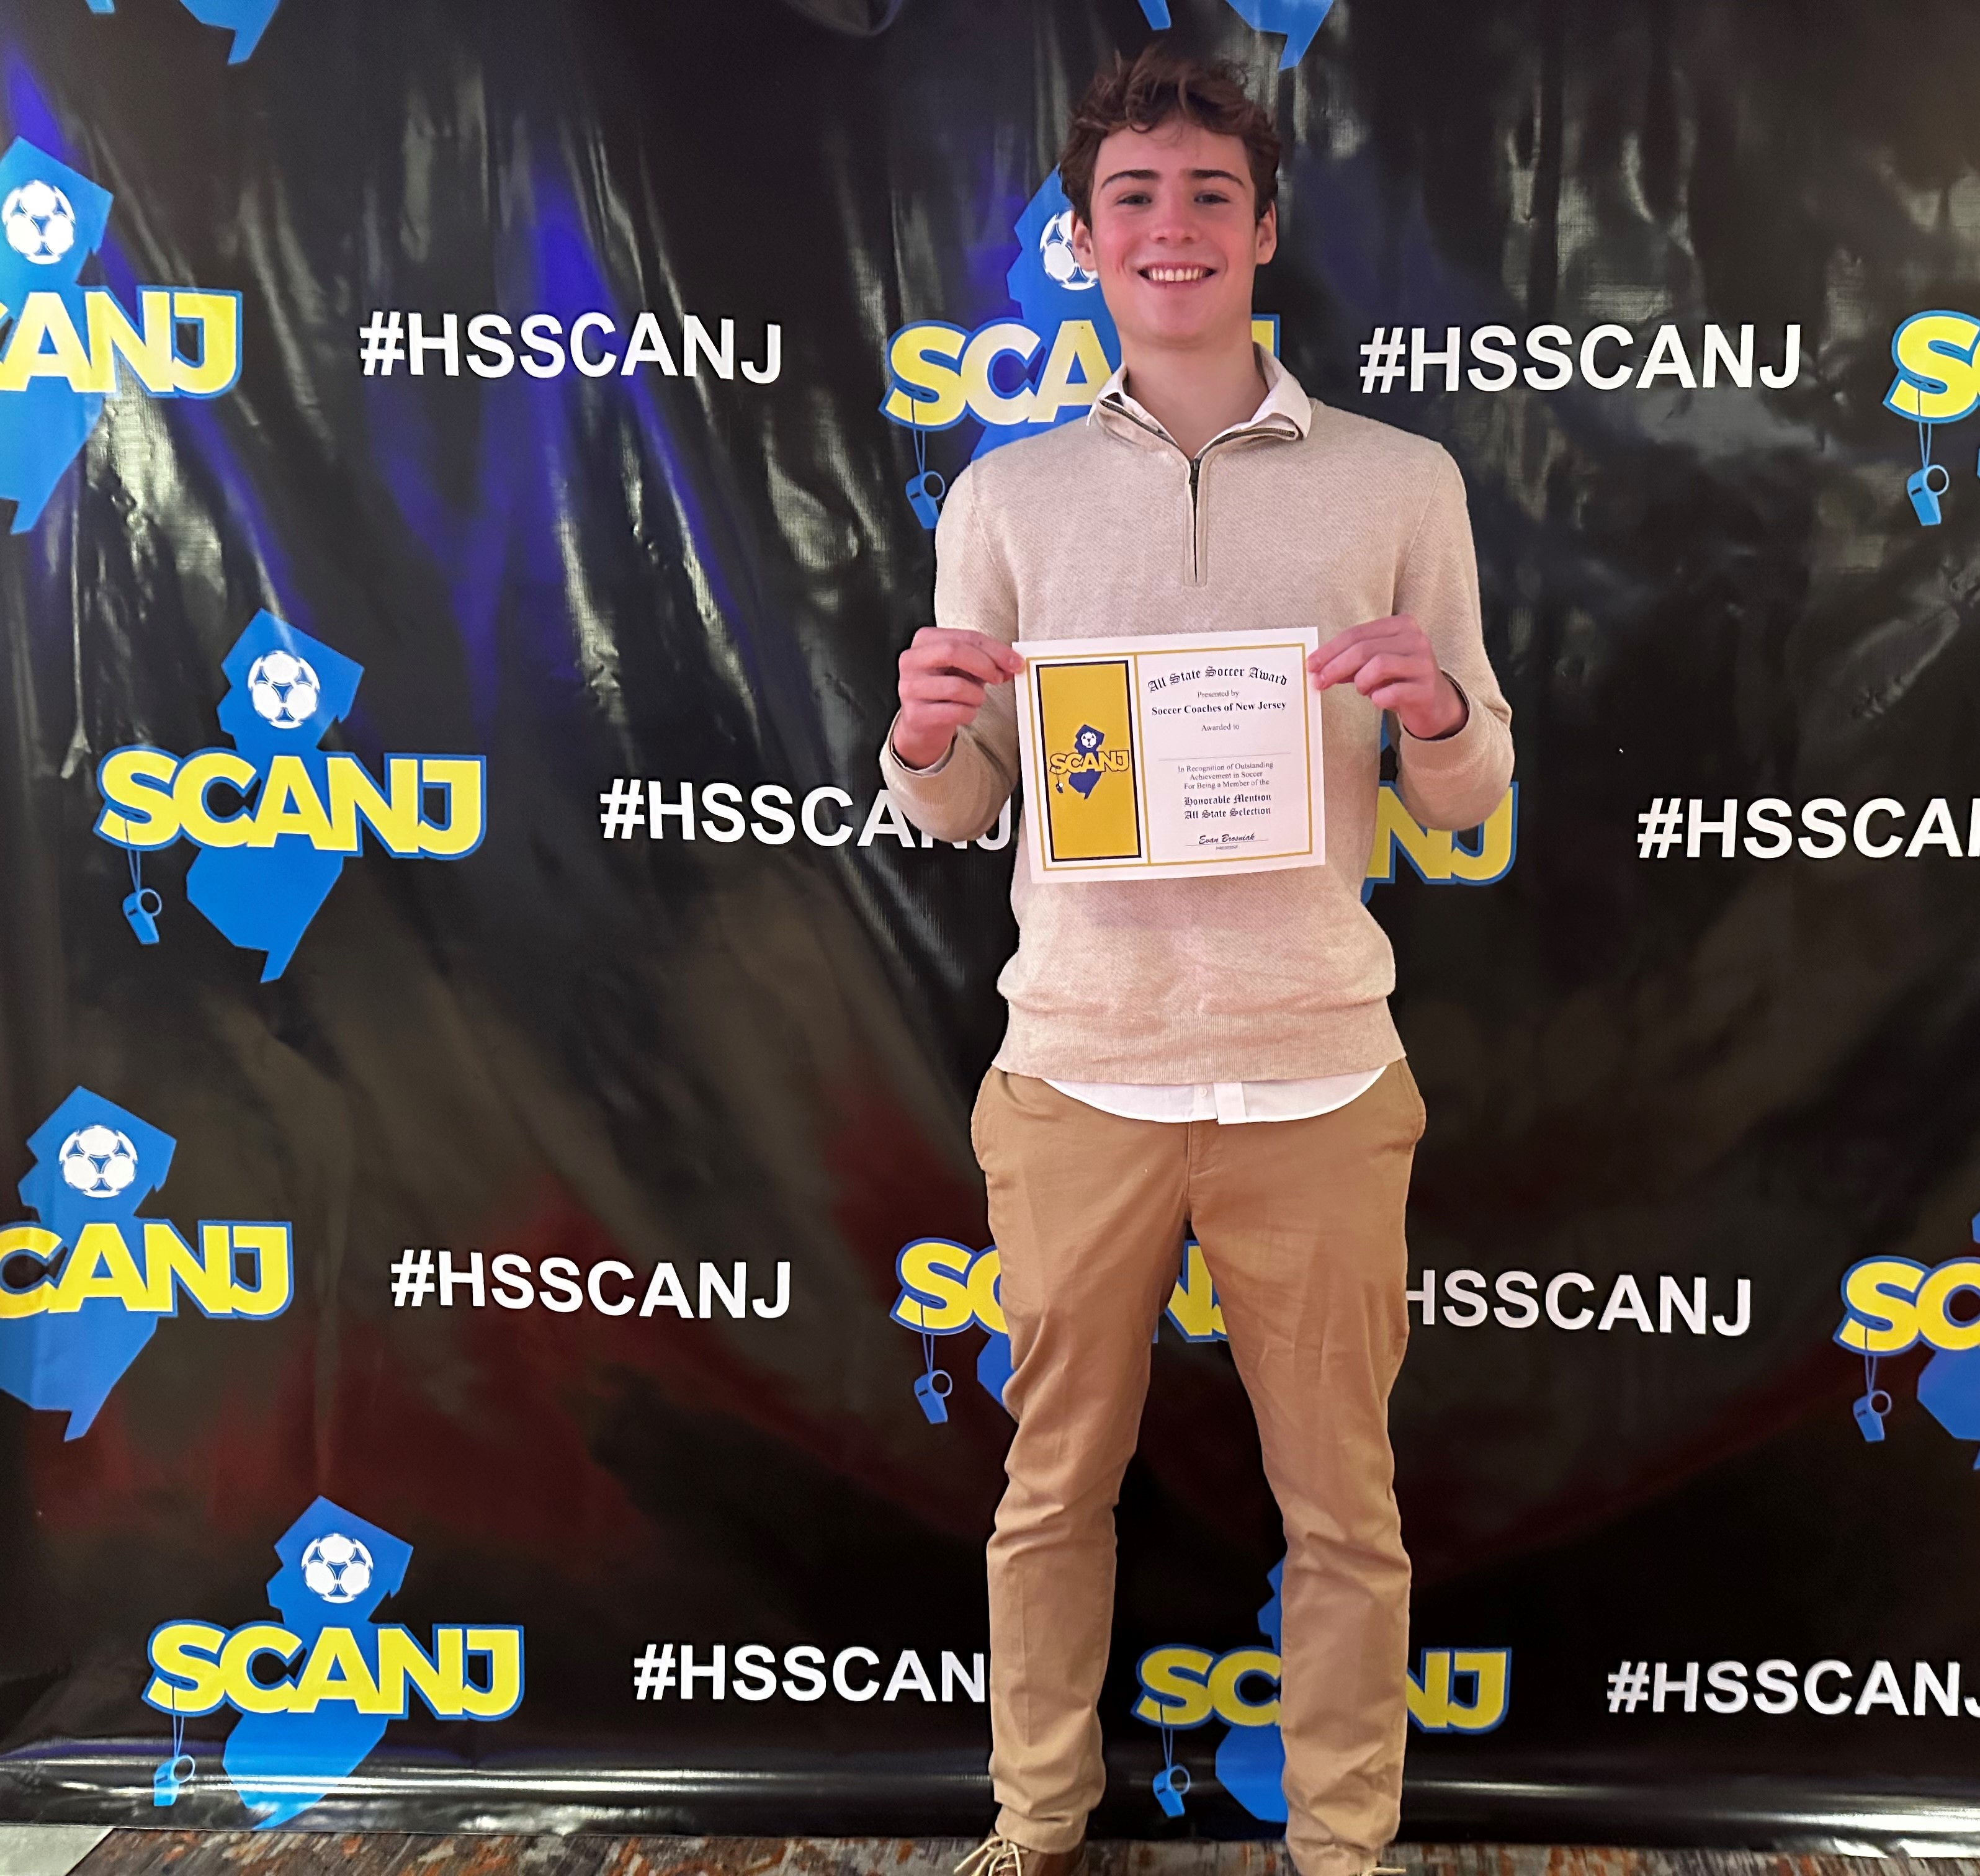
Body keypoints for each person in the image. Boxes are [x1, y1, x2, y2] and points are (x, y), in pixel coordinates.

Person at [878, 42, 1514, 1876]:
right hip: (1079, 1070)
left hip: (1320, 1070)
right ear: (1082, 242)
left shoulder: (1402, 482)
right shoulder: (1003, 500)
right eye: (1134, 198)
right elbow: (959, 804)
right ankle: (1034, 1821)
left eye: (1208, 195)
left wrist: (1441, 710)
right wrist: (925, 736)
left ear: (1262, 229)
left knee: (1346, 1515)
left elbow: (1473, 799)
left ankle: (1342, 1842)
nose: (1173, 228)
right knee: (1050, 1491)